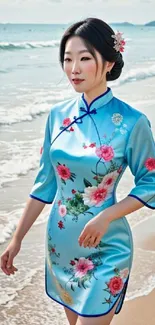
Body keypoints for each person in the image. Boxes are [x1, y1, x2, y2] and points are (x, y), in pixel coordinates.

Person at [1, 17, 155, 325]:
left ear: (109, 62)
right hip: (60, 246)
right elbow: (44, 183)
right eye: (67, 59)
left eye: (84, 58)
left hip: (107, 246)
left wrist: (106, 216)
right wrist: (16, 239)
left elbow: (151, 181)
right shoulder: (57, 116)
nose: (73, 68)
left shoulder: (131, 122)